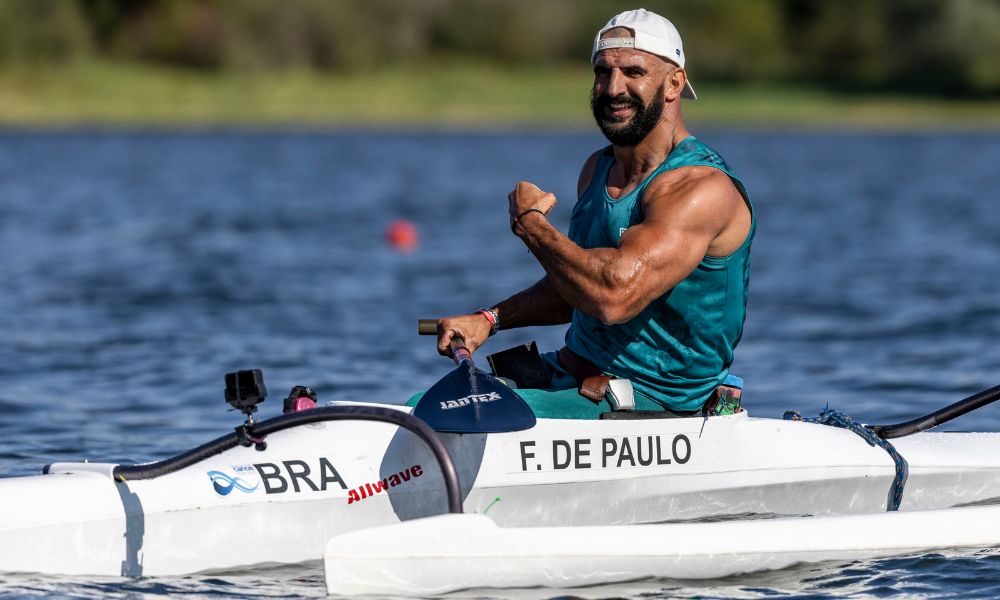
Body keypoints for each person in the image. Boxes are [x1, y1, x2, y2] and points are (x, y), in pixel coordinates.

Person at [432, 8, 755, 417]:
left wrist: (530, 225)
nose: (613, 88)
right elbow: (579, 284)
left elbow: (611, 297)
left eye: (633, 73)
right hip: (572, 375)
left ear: (675, 83)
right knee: (423, 407)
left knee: (451, 418)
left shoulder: (701, 189)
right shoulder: (598, 168)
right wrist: (489, 319)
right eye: (603, 72)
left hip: (653, 403)